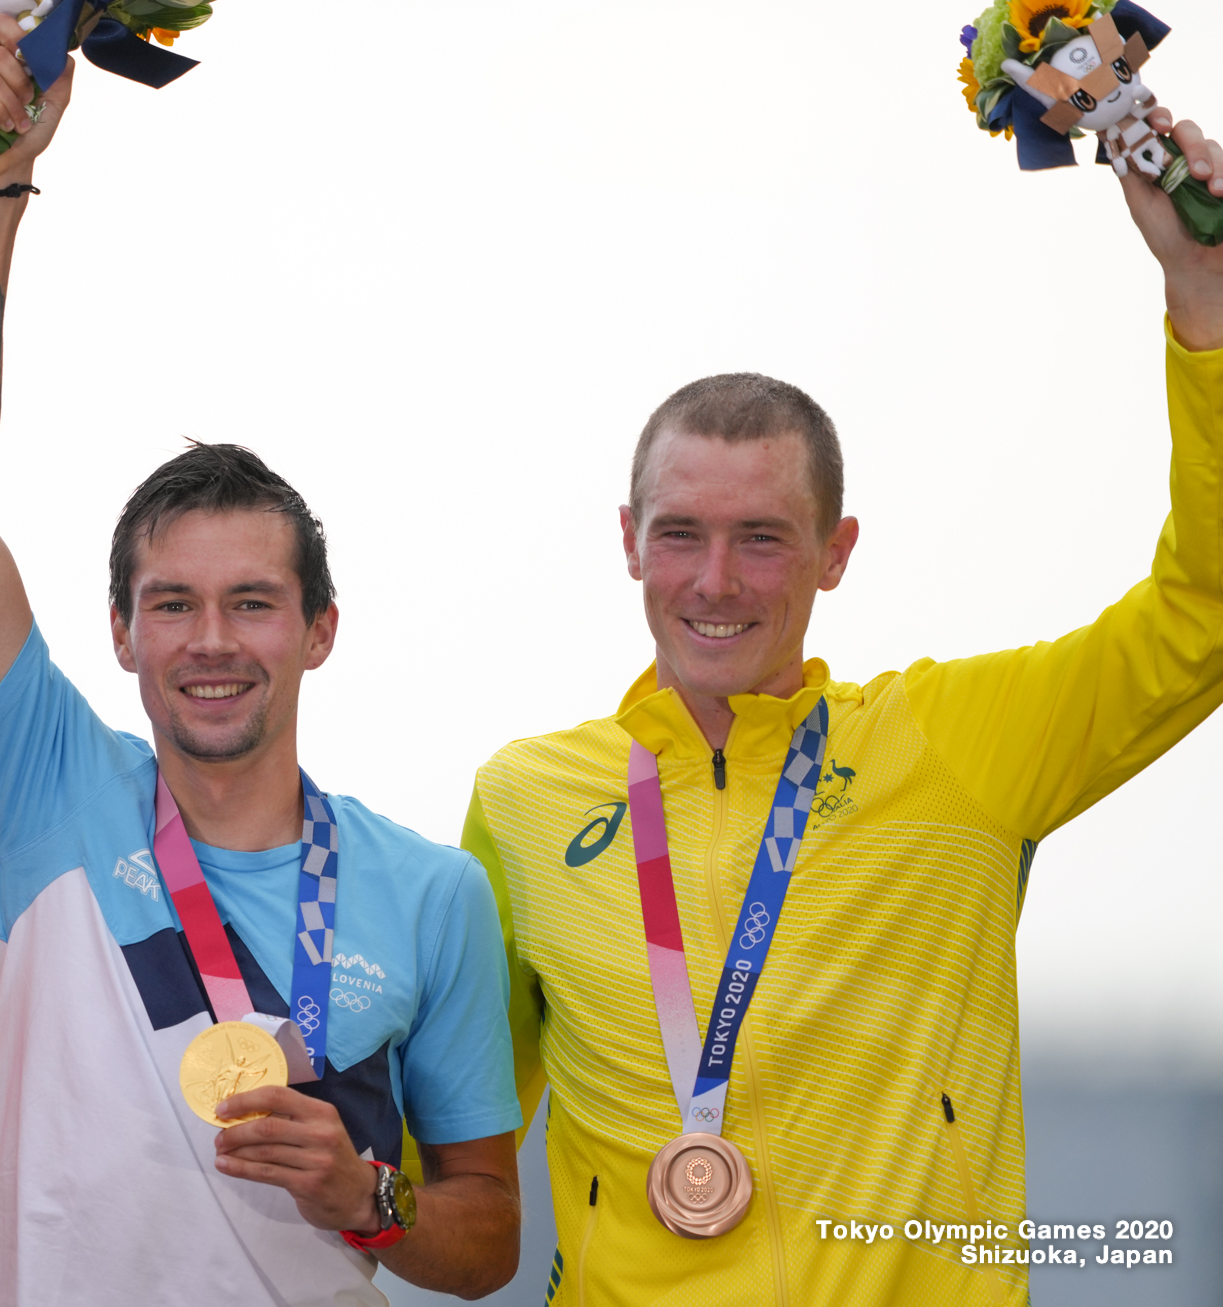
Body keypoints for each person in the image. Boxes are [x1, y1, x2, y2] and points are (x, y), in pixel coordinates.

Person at [463, 95, 1223, 1305]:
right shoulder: (522, 798)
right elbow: (457, 1142)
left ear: (836, 549)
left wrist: (1206, 301)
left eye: (762, 538)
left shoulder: (964, 742)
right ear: (626, 541)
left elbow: (1204, 609)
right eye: (680, 535)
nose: (715, 582)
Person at [0, 18, 525, 1305]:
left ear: (319, 628)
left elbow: (487, 1238)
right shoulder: (50, 784)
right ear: (119, 630)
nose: (213, 642)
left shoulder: (431, 890)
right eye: (171, 604)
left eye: (252, 602)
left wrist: (368, 1196)